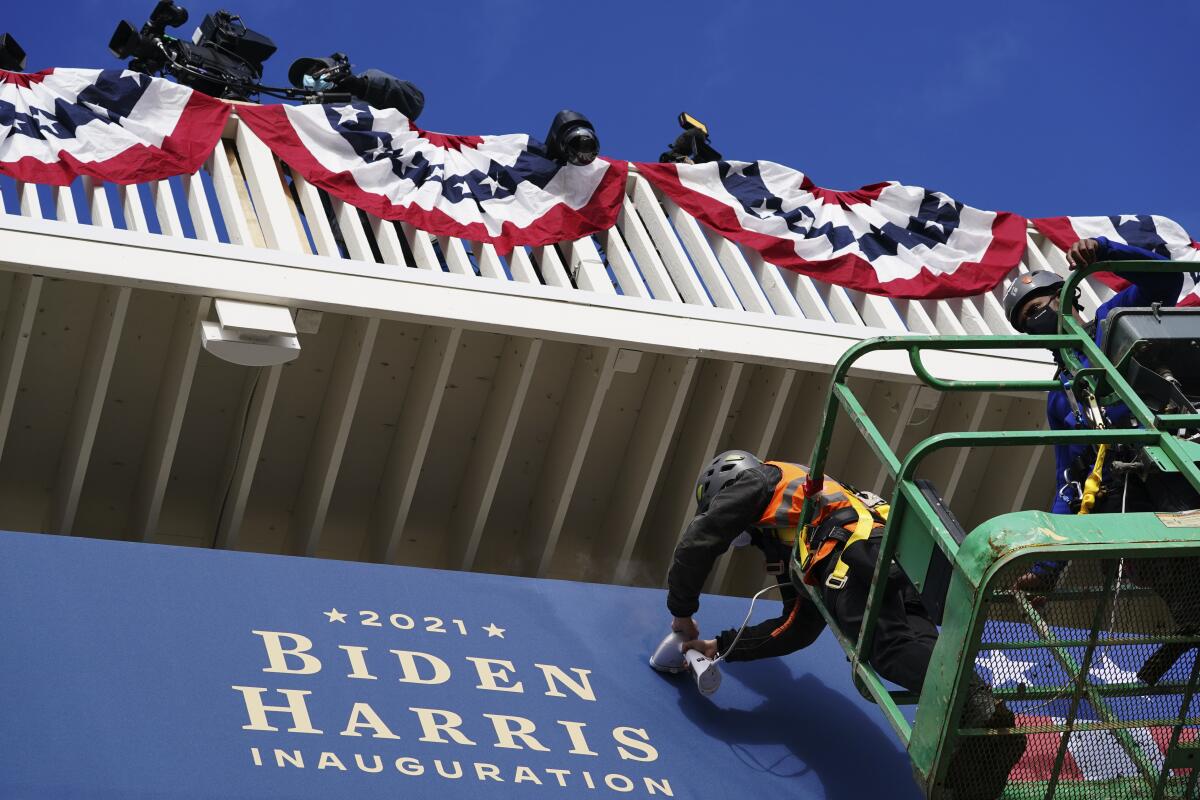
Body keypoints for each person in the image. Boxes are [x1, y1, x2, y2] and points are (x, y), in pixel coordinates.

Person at [665, 450, 1025, 798]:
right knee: (919, 652)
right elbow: (797, 625)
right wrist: (722, 647)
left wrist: (681, 611)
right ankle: (981, 733)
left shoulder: (758, 480)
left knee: (887, 649)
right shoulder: (798, 518)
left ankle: (976, 708)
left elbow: (700, 540)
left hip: (854, 558)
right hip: (898, 556)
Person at [1003, 237, 1184, 589]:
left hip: (1173, 459)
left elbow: (1167, 279)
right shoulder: (1061, 397)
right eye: (1027, 321)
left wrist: (1105, 252)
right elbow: (1068, 484)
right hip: (1126, 491)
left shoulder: (1113, 321)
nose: (1036, 321)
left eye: (1038, 308)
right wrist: (1046, 571)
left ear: (1065, 296)